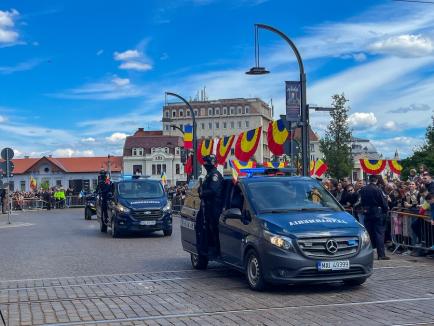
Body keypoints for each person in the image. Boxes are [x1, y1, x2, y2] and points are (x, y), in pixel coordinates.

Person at [359, 175, 390, 260]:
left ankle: (367, 253)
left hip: (367, 212)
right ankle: (381, 254)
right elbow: (383, 203)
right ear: (376, 180)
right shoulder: (377, 189)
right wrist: (386, 209)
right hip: (377, 213)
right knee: (379, 234)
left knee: (368, 234)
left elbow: (361, 201)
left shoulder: (363, 189)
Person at [198, 155, 224, 256]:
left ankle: (217, 249)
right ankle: (209, 248)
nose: (204, 165)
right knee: (208, 227)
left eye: (206, 163)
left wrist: (202, 193)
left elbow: (213, 190)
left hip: (215, 206)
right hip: (209, 206)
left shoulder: (215, 175)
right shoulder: (209, 174)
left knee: (214, 227)